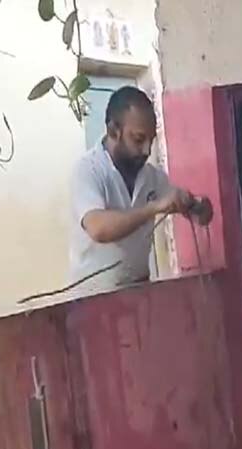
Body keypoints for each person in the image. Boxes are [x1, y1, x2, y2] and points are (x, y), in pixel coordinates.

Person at [68, 86, 195, 295]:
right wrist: (153, 208)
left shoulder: (152, 177)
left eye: (151, 141)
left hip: (138, 293)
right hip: (92, 299)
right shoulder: (88, 170)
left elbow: (194, 211)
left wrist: (195, 205)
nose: (146, 150)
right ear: (113, 131)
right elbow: (98, 228)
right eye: (138, 139)